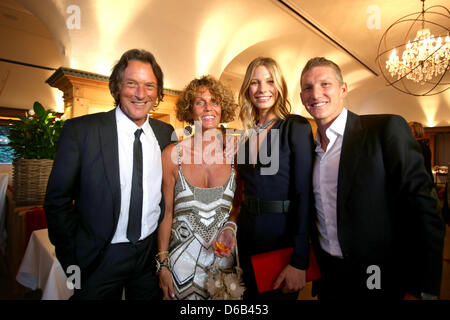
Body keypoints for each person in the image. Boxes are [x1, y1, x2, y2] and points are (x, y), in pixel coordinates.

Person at [299, 56, 445, 300]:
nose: (316, 93)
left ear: (343, 89)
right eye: (307, 87)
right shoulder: (308, 150)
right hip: (331, 279)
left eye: (325, 84)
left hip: (382, 278)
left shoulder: (385, 129)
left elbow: (425, 210)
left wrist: (422, 289)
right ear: (302, 96)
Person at [44, 49, 175, 299]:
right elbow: (57, 201)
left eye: (149, 85)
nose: (140, 93)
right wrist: (73, 258)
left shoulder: (164, 132)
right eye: (131, 83)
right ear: (117, 87)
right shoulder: (81, 131)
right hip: (99, 259)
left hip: (148, 257)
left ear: (157, 92)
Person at [220, 57, 314, 300]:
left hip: (281, 238)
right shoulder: (247, 135)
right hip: (248, 237)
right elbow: (243, 192)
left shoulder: (296, 127)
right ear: (247, 89)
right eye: (254, 82)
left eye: (269, 81)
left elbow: (305, 195)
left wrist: (300, 259)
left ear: (279, 86)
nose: (262, 89)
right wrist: (232, 224)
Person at [157, 75, 239, 300]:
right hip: (180, 268)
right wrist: (162, 264)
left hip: (223, 267)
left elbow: (238, 206)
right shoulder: (172, 155)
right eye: (200, 102)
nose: (208, 108)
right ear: (190, 109)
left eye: (214, 101)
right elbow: (166, 214)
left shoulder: (236, 154)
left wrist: (231, 227)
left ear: (223, 108)